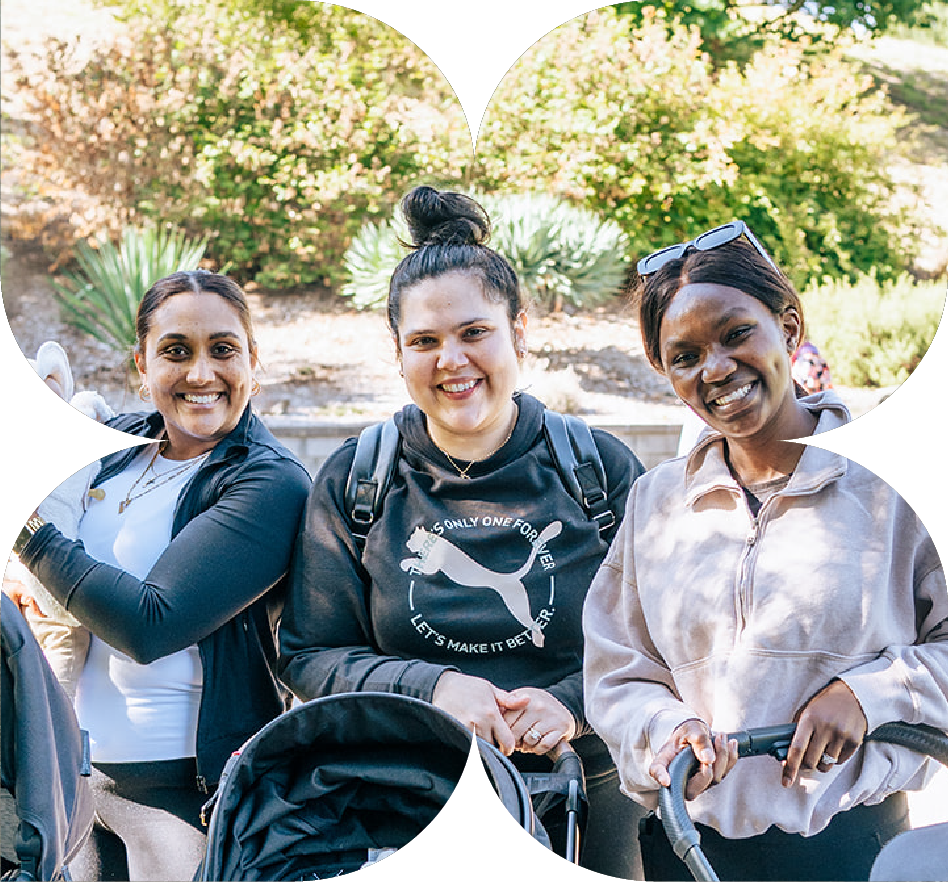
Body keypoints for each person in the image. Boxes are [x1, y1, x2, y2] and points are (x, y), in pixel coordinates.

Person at [278, 185, 647, 879]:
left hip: (591, 800)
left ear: (520, 331)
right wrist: (433, 687)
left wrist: (570, 705)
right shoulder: (358, 480)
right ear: (398, 352)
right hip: (417, 798)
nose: (452, 360)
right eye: (425, 341)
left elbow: (666, 642)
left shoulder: (598, 471)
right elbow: (307, 655)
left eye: (475, 332)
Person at [582, 222, 948, 882]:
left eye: (734, 334)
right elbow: (618, 670)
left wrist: (871, 695)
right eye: (685, 357)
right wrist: (666, 730)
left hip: (854, 852)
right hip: (686, 853)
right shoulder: (655, 502)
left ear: (788, 324)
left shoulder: (899, 476)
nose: (716, 369)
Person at [5, 270, 312, 882]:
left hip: (180, 794)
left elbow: (151, 624)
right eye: (176, 351)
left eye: (222, 349)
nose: (201, 372)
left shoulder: (269, 482)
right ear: (140, 365)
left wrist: (30, 531)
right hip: (69, 783)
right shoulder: (114, 446)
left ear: (254, 362)